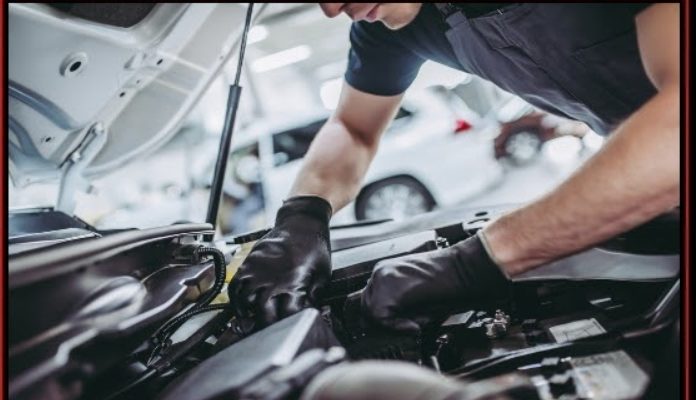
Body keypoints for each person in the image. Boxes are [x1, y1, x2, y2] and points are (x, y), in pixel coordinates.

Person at [228, 3, 680, 332]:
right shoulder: (391, 25)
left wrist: (476, 262)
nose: (331, 9)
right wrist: (302, 217)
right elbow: (352, 127)